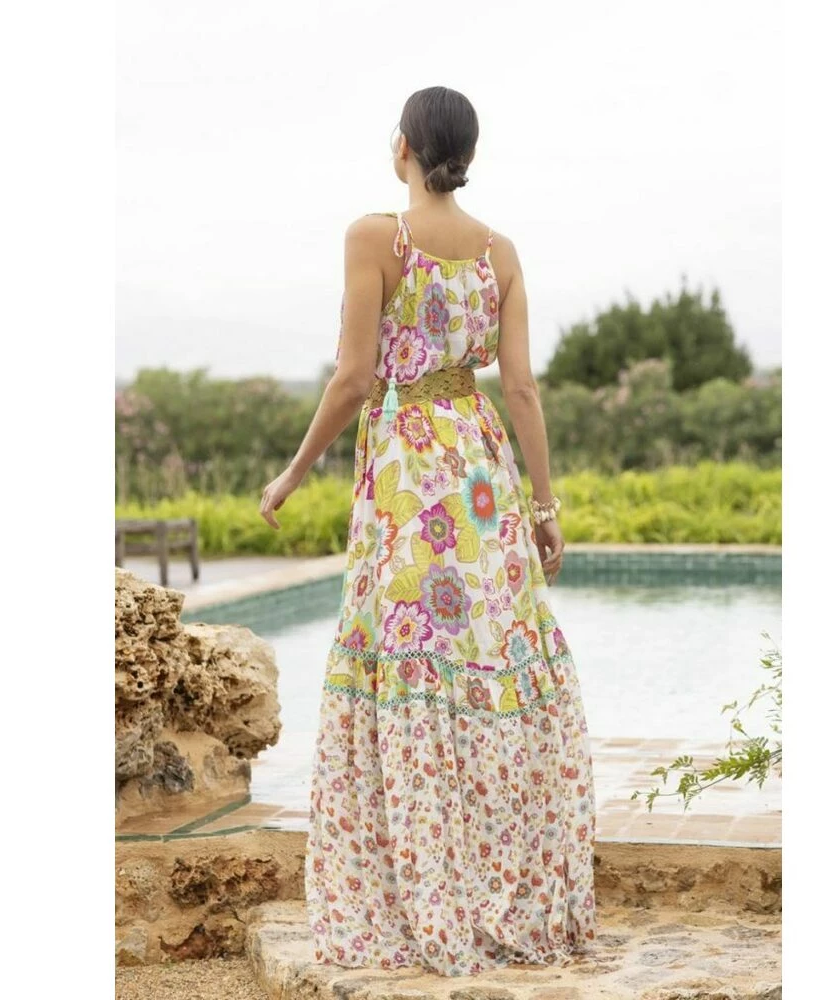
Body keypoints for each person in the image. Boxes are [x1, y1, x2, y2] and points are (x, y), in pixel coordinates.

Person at [260, 85, 597, 978]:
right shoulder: (500, 253)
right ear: (468, 155)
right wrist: (544, 508)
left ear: (402, 147)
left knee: (415, 664)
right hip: (482, 477)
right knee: (490, 662)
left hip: (410, 475)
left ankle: (422, 883)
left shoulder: (375, 238)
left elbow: (353, 377)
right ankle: (496, 879)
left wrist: (293, 472)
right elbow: (520, 389)